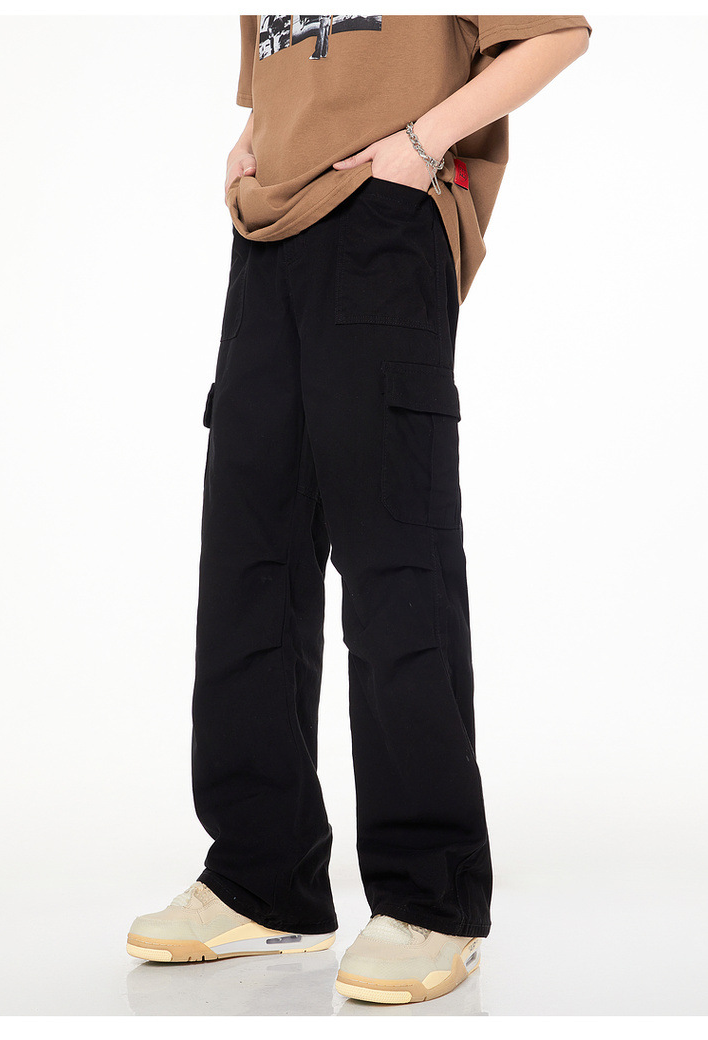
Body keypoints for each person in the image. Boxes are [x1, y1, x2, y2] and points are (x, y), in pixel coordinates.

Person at [127, 14, 592, 1005]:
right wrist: (249, 142)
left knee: (394, 565)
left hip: (385, 220)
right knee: (249, 560)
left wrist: (422, 146)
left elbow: (557, 34)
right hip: (266, 234)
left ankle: (432, 897)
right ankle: (263, 878)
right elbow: (283, 67)